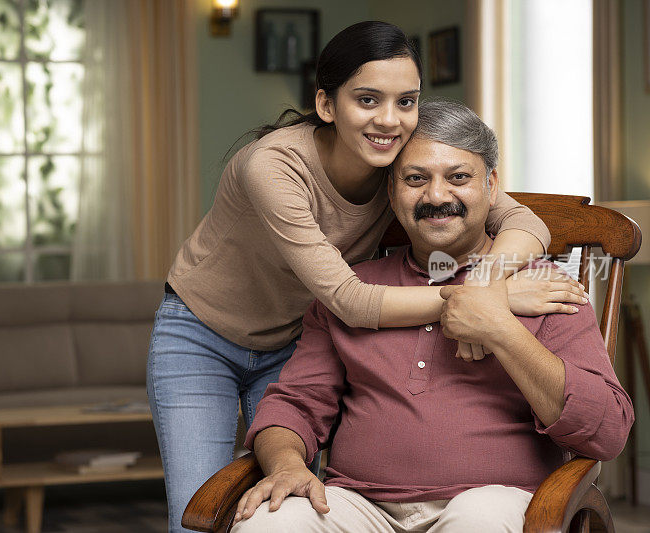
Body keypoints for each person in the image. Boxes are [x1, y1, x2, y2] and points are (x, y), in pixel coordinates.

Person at [147, 21, 586, 532]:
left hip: (295, 335)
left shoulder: (402, 164)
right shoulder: (271, 165)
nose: (390, 120)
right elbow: (350, 301)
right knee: (194, 517)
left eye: (407, 101)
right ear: (327, 105)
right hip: (203, 334)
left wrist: (486, 287)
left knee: (296, 497)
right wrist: (493, 298)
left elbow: (522, 221)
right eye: (368, 100)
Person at [231, 100, 634, 533]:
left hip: (492, 502)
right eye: (415, 179)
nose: (437, 196)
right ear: (391, 191)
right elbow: (295, 404)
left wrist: (498, 325)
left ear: (492, 186)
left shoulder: (544, 290)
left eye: (458, 177)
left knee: (477, 518)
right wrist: (287, 462)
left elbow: (605, 431)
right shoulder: (352, 289)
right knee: (268, 523)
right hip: (358, 505)